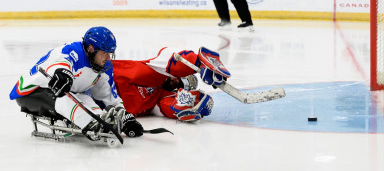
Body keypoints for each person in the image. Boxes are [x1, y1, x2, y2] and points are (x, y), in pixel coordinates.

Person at [9, 26, 144, 140]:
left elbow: (108, 97)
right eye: (104, 53)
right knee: (64, 96)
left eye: (110, 53)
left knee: (85, 97)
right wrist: (62, 72)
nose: (108, 58)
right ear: (91, 48)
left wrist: (125, 117)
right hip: (30, 92)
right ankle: (91, 123)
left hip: (62, 93)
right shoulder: (73, 51)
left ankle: (98, 120)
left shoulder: (104, 67)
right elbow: (61, 62)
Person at [113, 47, 230, 122]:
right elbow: (170, 59)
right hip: (102, 77)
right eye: (179, 78)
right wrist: (198, 63)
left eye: (179, 85)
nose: (176, 82)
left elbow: (168, 106)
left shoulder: (158, 98)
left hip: (104, 106)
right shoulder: (155, 70)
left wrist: (192, 106)